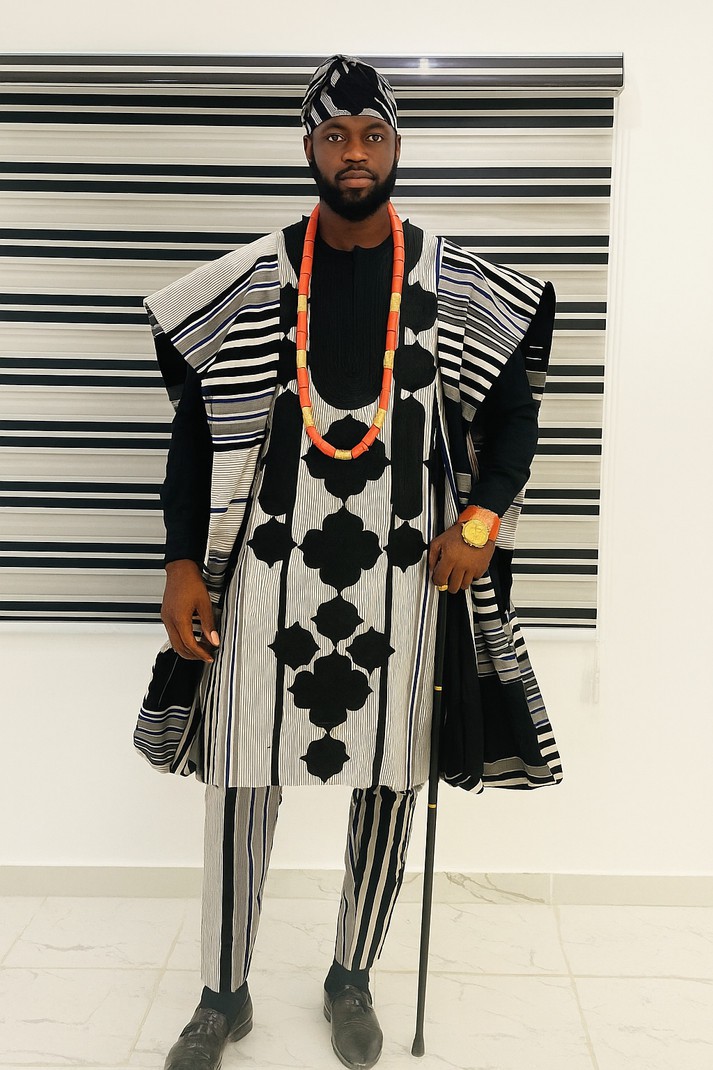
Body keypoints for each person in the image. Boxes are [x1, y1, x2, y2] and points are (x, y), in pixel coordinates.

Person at [142, 55, 562, 1070]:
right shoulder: (253, 279)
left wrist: (478, 524)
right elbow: (196, 433)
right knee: (238, 779)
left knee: (390, 781)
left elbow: (512, 420)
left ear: (396, 146)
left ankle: (350, 976)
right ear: (309, 149)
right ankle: (222, 993)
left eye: (372, 135)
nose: (354, 153)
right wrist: (181, 562)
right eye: (335, 136)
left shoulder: (456, 283)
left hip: (408, 580)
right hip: (263, 577)